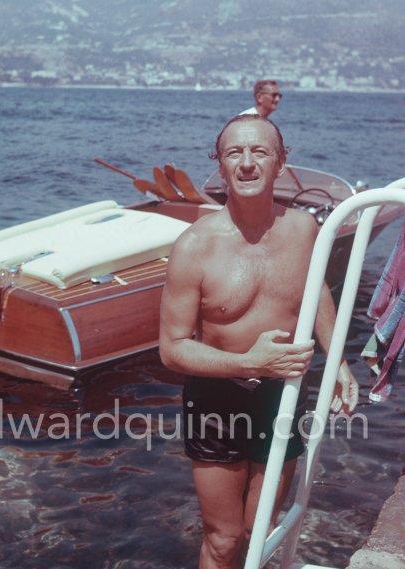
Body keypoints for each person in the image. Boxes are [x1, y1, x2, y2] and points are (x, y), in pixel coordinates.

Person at [159, 114, 358, 569]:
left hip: (283, 394)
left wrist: (337, 362)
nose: (247, 163)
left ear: (281, 163)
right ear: (221, 165)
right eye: (234, 153)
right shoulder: (194, 246)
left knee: (259, 529)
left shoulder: (304, 228)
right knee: (224, 538)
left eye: (259, 152)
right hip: (216, 399)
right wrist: (249, 362)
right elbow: (172, 349)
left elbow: (316, 290)